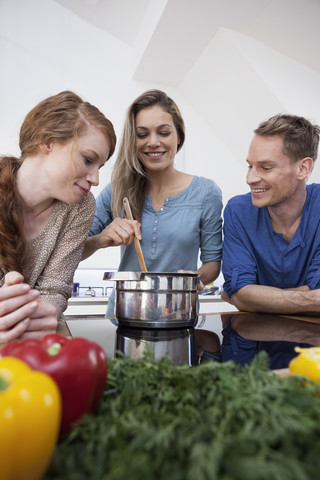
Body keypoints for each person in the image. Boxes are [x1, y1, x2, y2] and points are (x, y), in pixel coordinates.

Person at [82, 89, 223, 336]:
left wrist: (192, 278)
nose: (153, 142)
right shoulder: (117, 190)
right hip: (124, 318)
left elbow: (212, 263)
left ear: (179, 136)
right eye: (142, 134)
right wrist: (100, 239)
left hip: (178, 316)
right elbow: (73, 250)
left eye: (164, 132)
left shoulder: (206, 192)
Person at [0, 90, 116, 343]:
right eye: (88, 159)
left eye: (100, 167)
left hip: (38, 340)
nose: (95, 179)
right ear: (48, 141)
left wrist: (43, 311)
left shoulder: (81, 206)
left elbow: (55, 288)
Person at [221, 113, 320, 367]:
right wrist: (308, 298)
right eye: (250, 165)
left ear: (303, 168)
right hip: (253, 365)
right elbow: (241, 294)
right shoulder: (237, 211)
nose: (250, 178)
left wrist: (256, 298)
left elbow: (241, 295)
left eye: (265, 167)